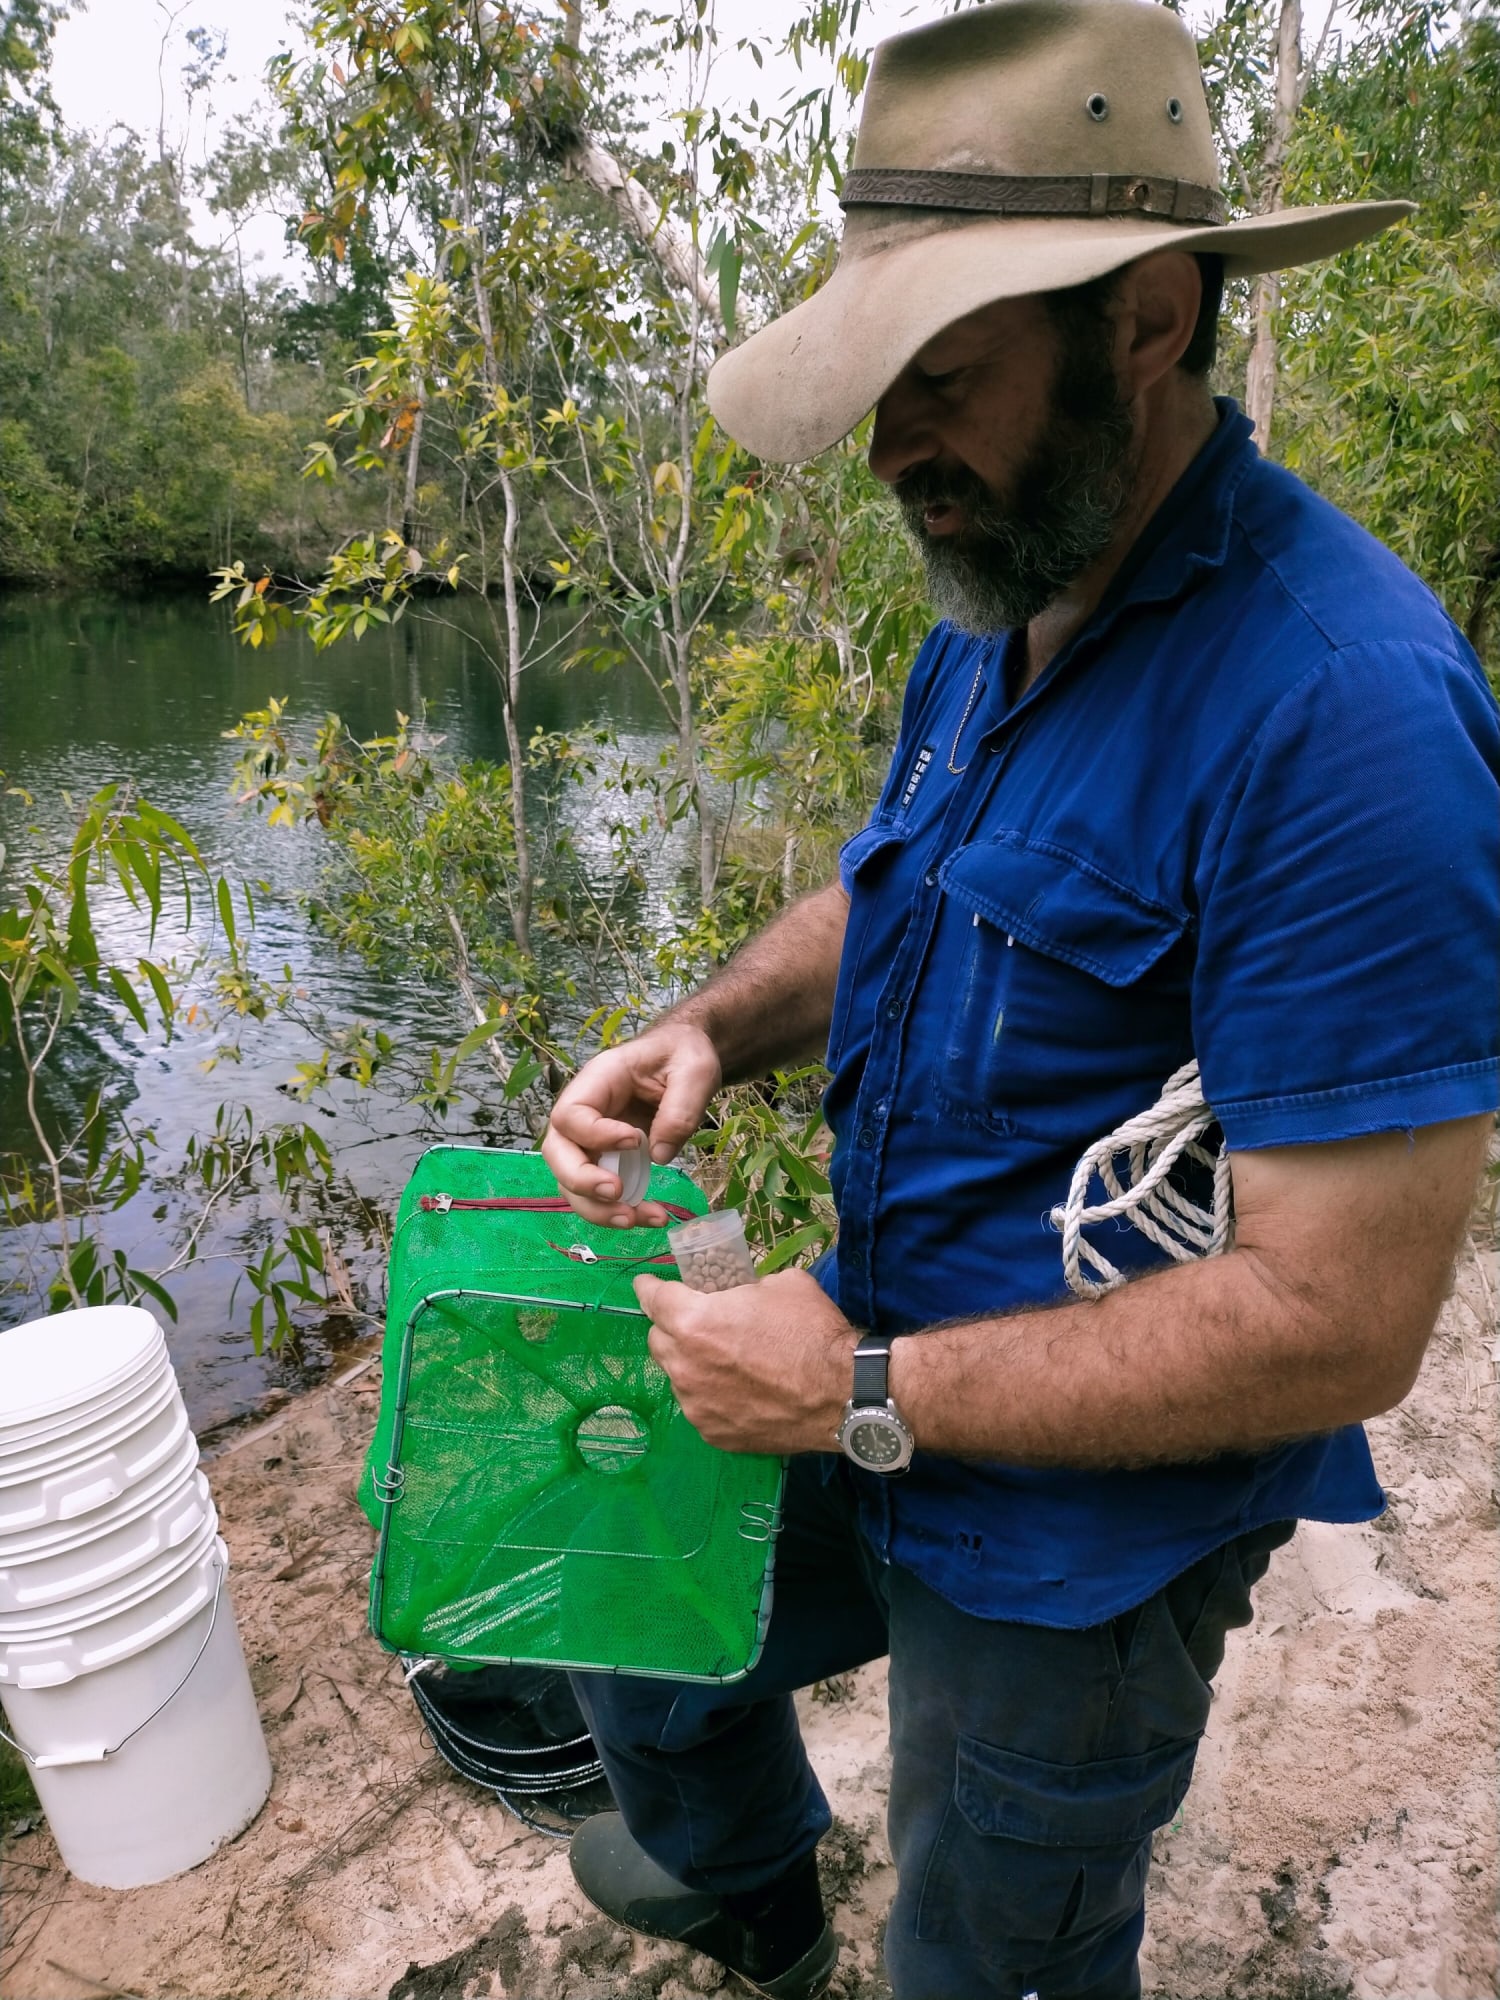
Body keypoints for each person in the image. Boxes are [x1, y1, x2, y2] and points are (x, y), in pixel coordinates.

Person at [540, 3, 1500, 1996]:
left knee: (987, 1945)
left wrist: (859, 1395)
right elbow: (906, 895)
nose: (895, 448)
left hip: (1085, 1549)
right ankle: (753, 1893)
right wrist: (715, 1025)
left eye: (944, 377)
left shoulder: (1345, 722)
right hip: (878, 1346)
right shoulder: (1008, 593)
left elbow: (1346, 1322)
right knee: (621, 1599)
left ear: (1149, 317)